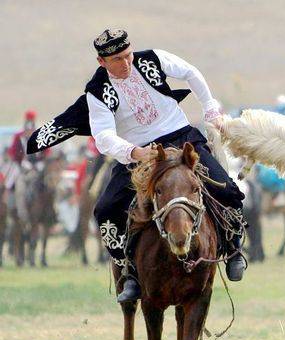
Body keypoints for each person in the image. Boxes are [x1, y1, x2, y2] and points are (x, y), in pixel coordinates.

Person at [27, 29, 246, 302]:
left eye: (128, 55)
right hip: (137, 154)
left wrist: (210, 108)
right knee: (106, 210)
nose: (126, 63)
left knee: (226, 187)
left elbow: (190, 72)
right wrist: (133, 151)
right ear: (101, 62)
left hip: (181, 136)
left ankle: (234, 248)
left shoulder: (152, 58)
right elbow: (104, 136)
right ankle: (130, 273)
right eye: (118, 59)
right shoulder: (97, 92)